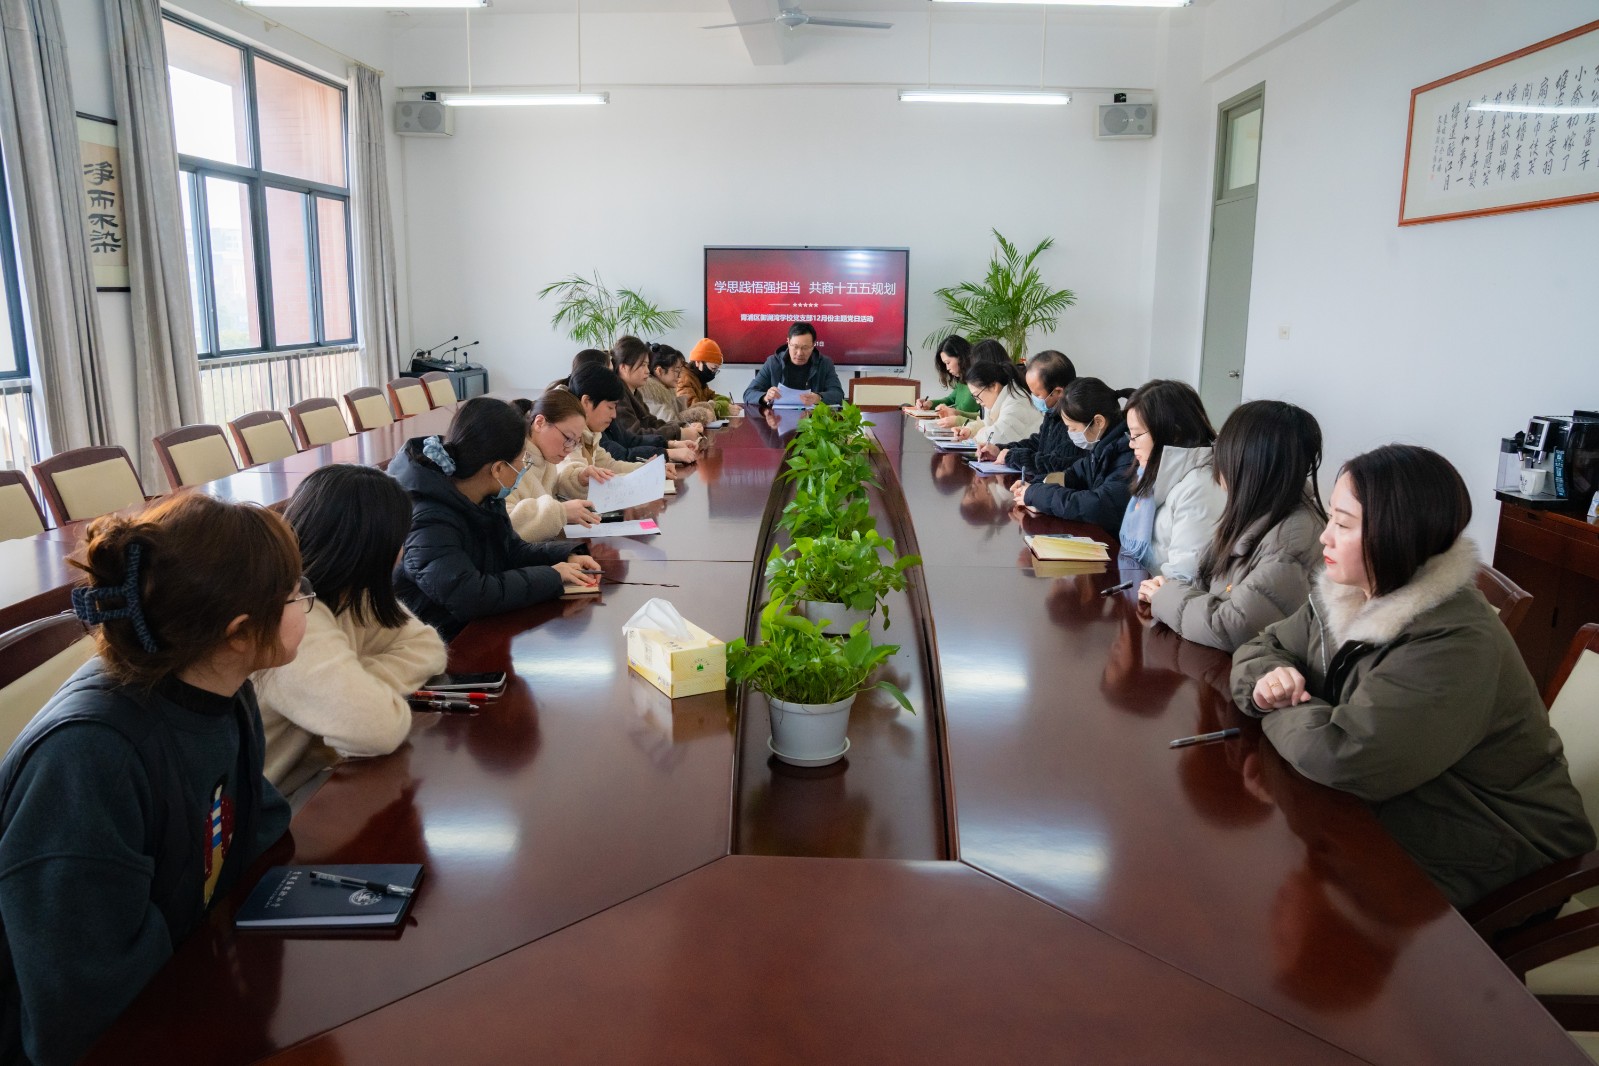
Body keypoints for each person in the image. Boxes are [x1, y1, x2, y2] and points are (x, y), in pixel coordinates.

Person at [0, 494, 299, 1065]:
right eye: (291, 595)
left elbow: (257, 833)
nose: (304, 601)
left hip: (190, 981)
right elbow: (83, 1012)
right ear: (239, 632)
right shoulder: (90, 759)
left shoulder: (221, 689)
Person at [1232, 444, 1595, 910]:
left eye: (1343, 524)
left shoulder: (1454, 640)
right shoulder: (1351, 593)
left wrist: (1276, 705)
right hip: (1409, 807)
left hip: (1501, 852)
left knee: (1284, 891)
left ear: (1394, 535)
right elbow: (1261, 648)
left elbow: (1347, 757)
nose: (1324, 536)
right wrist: (1270, 678)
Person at [254, 465, 448, 794]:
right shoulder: (293, 619)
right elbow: (378, 729)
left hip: (311, 782)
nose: (402, 552)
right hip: (274, 805)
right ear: (373, 549)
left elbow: (429, 646)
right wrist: (357, 693)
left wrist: (357, 684)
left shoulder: (351, 595)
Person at [388, 396, 599, 642]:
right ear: (498, 468)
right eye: (522, 461)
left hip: (475, 627)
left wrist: (563, 557)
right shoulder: (428, 520)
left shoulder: (487, 494)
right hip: (436, 641)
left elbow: (511, 550)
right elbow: (471, 596)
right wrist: (553, 576)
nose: (523, 469)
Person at [1143, 401, 1328, 653]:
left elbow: (1234, 627)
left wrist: (1165, 596)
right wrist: (1167, 592)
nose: (1216, 460)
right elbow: (1207, 583)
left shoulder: (1292, 537)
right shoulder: (1259, 511)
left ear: (1250, 463)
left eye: (1223, 451)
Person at [1117, 379, 1226, 581]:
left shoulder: (1199, 487)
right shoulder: (1153, 476)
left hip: (1164, 595)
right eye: (1130, 435)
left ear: (1174, 434)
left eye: (1137, 435)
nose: (1131, 444)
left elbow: (1186, 575)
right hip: (1145, 586)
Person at [1011, 377, 1137, 533]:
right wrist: (1036, 485)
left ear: (1098, 422)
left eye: (1073, 428)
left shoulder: (1128, 453)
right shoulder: (1102, 447)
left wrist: (1036, 494)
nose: (1070, 434)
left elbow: (1098, 505)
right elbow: (1074, 474)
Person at [505, 392, 610, 541]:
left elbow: (553, 489)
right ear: (539, 423)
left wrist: (579, 479)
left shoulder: (545, 460)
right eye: (568, 438)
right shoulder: (510, 461)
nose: (569, 448)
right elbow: (504, 524)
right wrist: (561, 512)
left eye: (575, 442)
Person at [566, 363, 696, 467]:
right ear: (586, 402)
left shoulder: (593, 430)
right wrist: (667, 453)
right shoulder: (571, 436)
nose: (614, 415)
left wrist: (669, 445)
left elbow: (624, 446)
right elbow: (621, 456)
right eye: (610, 407)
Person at [975, 349, 1084, 474]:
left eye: (1037, 394)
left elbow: (1058, 464)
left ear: (1058, 392)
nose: (1033, 398)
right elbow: (1038, 443)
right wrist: (1000, 450)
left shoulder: (1077, 419)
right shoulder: (1054, 411)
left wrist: (1012, 456)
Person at [613, 335, 703, 442]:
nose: (647, 371)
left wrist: (684, 426)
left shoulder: (635, 392)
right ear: (623, 367)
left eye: (647, 365)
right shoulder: (617, 396)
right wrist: (679, 433)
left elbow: (651, 422)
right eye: (642, 365)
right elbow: (635, 435)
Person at [743, 321, 845, 406]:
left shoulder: (825, 364)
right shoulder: (773, 363)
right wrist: (766, 397)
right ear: (788, 342)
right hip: (778, 419)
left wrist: (818, 398)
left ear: (813, 345)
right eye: (795, 347)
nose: (799, 353)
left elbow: (838, 395)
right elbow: (749, 394)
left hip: (812, 421)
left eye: (805, 348)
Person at [951, 357, 1042, 446]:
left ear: (994, 386)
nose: (977, 402)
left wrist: (978, 437)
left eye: (977, 395)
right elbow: (987, 424)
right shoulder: (998, 399)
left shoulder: (1016, 401)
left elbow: (998, 436)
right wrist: (969, 430)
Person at [935, 338, 1011, 428]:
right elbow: (985, 421)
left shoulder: (1010, 401)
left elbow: (992, 429)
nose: (977, 401)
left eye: (948, 362)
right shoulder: (997, 394)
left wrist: (959, 420)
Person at [641, 343, 717, 426]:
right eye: (677, 371)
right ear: (659, 371)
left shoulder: (667, 391)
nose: (680, 375)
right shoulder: (651, 396)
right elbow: (670, 425)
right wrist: (695, 415)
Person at [913, 335, 979, 420]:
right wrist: (930, 403)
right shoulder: (963, 379)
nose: (947, 368)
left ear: (961, 357)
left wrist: (945, 410)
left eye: (948, 363)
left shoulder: (977, 381)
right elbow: (950, 400)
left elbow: (964, 410)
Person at [679, 337, 725, 407]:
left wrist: (727, 402)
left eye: (716, 370)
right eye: (713, 368)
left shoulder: (699, 379)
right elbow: (694, 408)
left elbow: (711, 396)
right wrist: (724, 407)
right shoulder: (684, 379)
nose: (713, 373)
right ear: (698, 362)